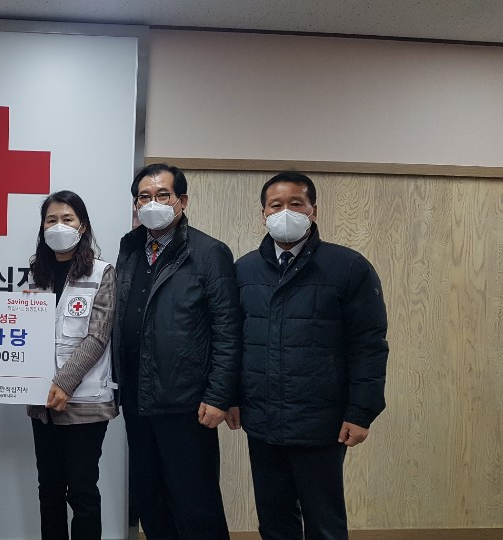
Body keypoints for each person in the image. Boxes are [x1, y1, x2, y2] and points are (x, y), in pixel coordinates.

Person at [227, 171, 388, 540]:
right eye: (276, 205)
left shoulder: (348, 267)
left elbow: (369, 344)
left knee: (324, 523)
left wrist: (361, 411)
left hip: (321, 421)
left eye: (296, 204)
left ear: (313, 210)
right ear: (263, 214)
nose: (285, 212)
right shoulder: (244, 270)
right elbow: (233, 339)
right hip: (262, 418)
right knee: (274, 520)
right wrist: (231, 396)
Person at [112, 163, 240, 540]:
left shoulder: (209, 252)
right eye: (144, 197)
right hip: (137, 398)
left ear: (182, 200)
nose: (152, 203)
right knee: (150, 498)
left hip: (188, 403)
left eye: (162, 195)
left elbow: (228, 329)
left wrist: (219, 395)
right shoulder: (129, 247)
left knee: (196, 503)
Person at [25, 191, 118, 540]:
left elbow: (98, 337)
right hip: (41, 402)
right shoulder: (37, 274)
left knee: (82, 491)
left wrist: (64, 383)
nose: (58, 226)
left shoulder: (102, 272)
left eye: (67, 219)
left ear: (83, 226)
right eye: (51, 220)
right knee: (48, 489)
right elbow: (25, 334)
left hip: (85, 402)